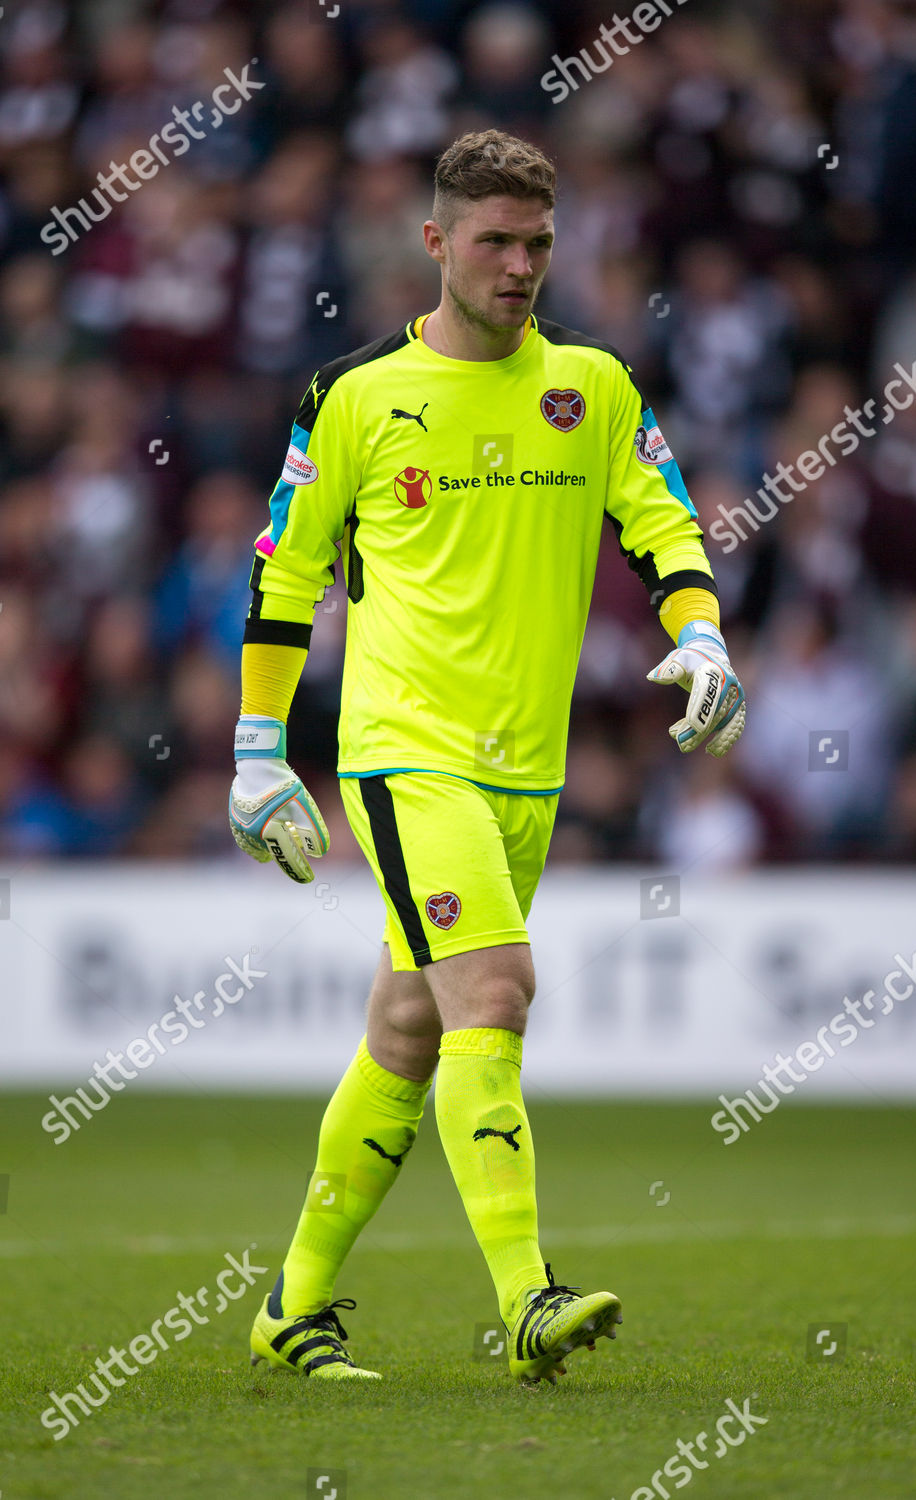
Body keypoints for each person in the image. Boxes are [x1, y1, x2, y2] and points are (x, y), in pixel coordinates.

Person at [228, 128, 746, 1387]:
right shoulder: (353, 397)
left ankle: (289, 1307)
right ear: (436, 244)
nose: (519, 266)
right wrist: (255, 750)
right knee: (497, 993)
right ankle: (527, 1299)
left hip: (529, 773)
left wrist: (702, 634)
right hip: (404, 754)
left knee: (410, 1030)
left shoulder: (597, 386)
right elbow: (286, 573)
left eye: (538, 243)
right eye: (493, 242)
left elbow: (660, 519)